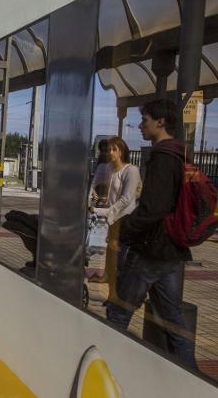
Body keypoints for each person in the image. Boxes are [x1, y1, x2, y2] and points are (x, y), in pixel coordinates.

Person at [106, 99, 197, 369]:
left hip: (152, 249)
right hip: (170, 251)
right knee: (173, 321)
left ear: (161, 122)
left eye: (145, 119)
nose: (140, 125)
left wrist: (123, 232)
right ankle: (189, 372)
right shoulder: (180, 156)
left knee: (118, 312)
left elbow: (152, 209)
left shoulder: (163, 157)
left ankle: (109, 367)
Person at [90, 137, 141, 305]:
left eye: (113, 149)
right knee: (113, 259)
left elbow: (127, 199)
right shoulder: (107, 169)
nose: (109, 153)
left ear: (121, 151)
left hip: (127, 220)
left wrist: (103, 211)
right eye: (107, 150)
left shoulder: (131, 170)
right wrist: (91, 194)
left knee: (121, 260)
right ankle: (114, 294)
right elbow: (95, 182)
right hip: (114, 220)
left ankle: (121, 296)